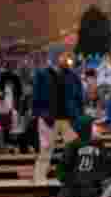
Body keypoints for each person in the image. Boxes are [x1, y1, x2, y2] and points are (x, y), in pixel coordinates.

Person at [31, 49, 83, 183]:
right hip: (48, 118)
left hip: (69, 118)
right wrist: (39, 114)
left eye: (67, 56)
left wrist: (79, 114)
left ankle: (74, 177)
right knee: (45, 150)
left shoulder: (73, 75)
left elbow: (79, 97)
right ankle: (39, 179)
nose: (67, 58)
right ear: (55, 57)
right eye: (64, 55)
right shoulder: (42, 74)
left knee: (74, 150)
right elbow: (36, 96)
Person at [54, 116, 111, 197]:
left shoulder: (101, 147)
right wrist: (70, 181)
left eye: (102, 127)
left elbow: (106, 169)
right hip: (74, 190)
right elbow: (62, 169)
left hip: (92, 190)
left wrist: (99, 181)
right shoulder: (73, 145)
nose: (101, 129)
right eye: (97, 126)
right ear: (86, 127)